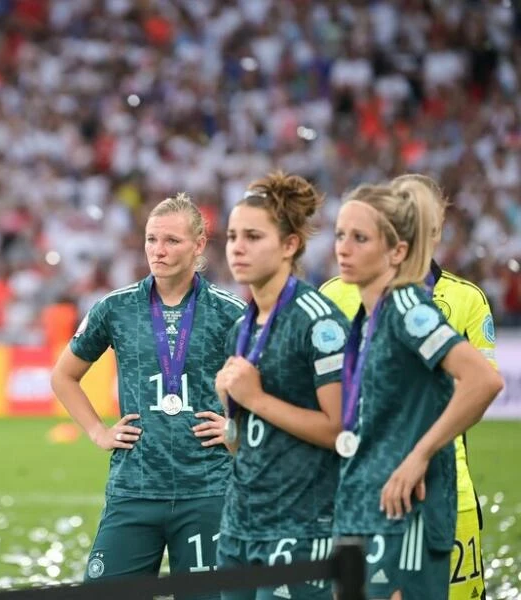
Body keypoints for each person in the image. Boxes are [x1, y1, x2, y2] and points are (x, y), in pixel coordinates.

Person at [50, 193, 245, 594]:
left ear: (199, 245)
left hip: (207, 490)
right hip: (134, 488)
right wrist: (98, 432)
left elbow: (270, 386)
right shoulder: (115, 308)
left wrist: (236, 429)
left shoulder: (232, 312)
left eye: (172, 241)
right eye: (151, 239)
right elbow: (64, 377)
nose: (159, 250)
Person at [320, 174, 496, 600]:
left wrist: (419, 454)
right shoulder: (366, 306)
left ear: (395, 245)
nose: (343, 247)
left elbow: (483, 379)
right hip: (363, 492)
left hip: (408, 499)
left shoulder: (406, 308)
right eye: (341, 235)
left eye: (359, 237)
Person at [214, 171, 349, 600]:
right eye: (233, 235)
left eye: (253, 236)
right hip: (239, 526)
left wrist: (255, 397)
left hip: (302, 528)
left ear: (289, 244)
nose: (237, 246)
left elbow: (340, 432)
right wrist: (231, 409)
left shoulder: (319, 321)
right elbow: (242, 442)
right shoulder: (241, 326)